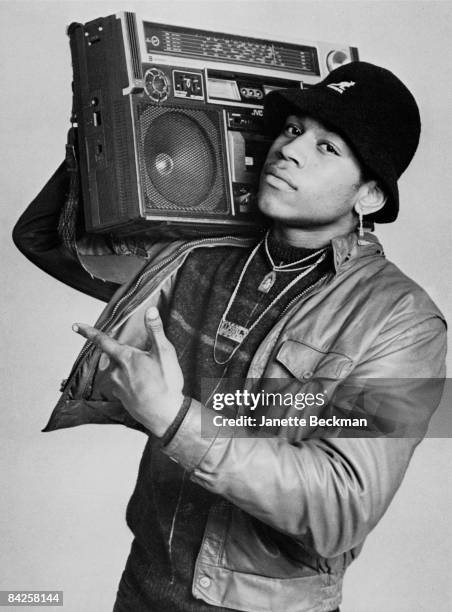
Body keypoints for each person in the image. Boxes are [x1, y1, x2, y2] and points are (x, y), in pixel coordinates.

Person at [13, 61, 446, 612]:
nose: (290, 151)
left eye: (327, 149)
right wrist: (100, 131)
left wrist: (174, 419)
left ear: (369, 197)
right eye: (293, 131)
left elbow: (341, 507)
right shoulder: (199, 256)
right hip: (144, 583)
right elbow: (42, 238)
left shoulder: (401, 320)